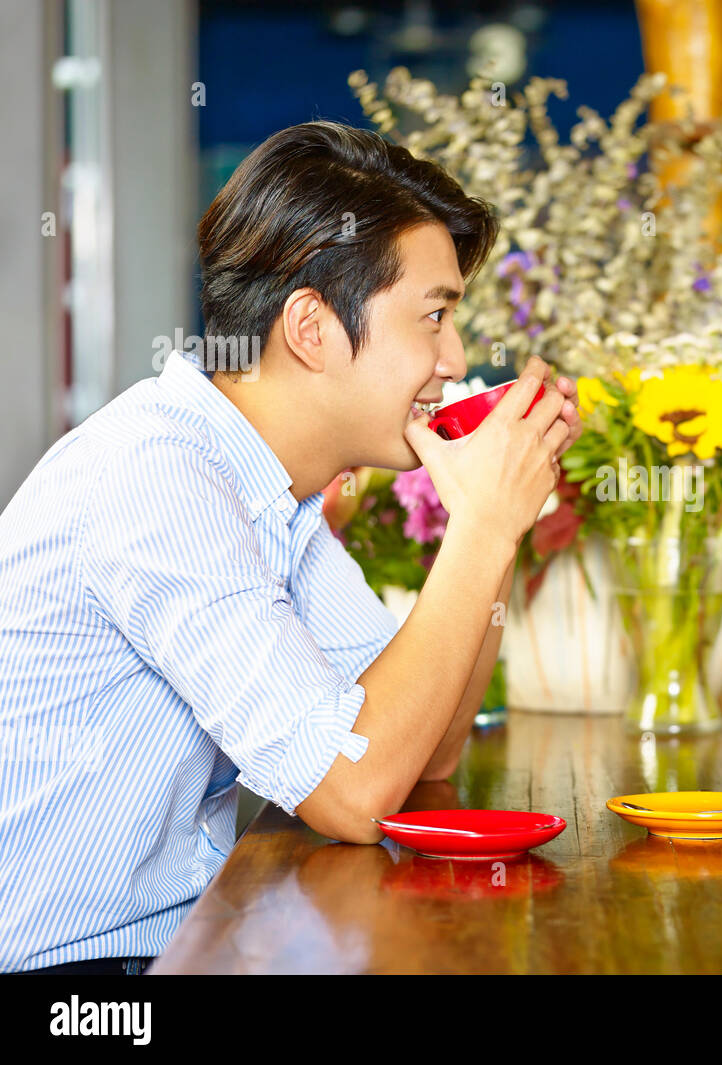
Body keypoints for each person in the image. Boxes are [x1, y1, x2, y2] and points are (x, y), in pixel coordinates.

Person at [0, 121, 580, 973]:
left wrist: (493, 527)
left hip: (176, 946)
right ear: (311, 328)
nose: (455, 358)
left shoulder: (274, 497)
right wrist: (484, 526)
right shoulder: (158, 477)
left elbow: (423, 756)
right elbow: (353, 789)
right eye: (435, 315)